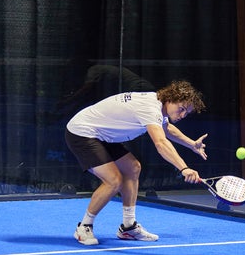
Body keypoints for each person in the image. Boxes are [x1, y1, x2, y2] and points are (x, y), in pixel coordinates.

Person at [65, 80, 208, 245]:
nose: (183, 115)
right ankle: (84, 226)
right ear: (170, 99)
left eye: (187, 113)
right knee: (113, 181)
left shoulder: (158, 105)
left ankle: (128, 228)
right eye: (181, 109)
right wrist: (184, 168)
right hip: (82, 132)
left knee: (133, 168)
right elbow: (161, 143)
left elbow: (167, 128)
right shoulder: (150, 108)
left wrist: (192, 144)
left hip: (103, 135)